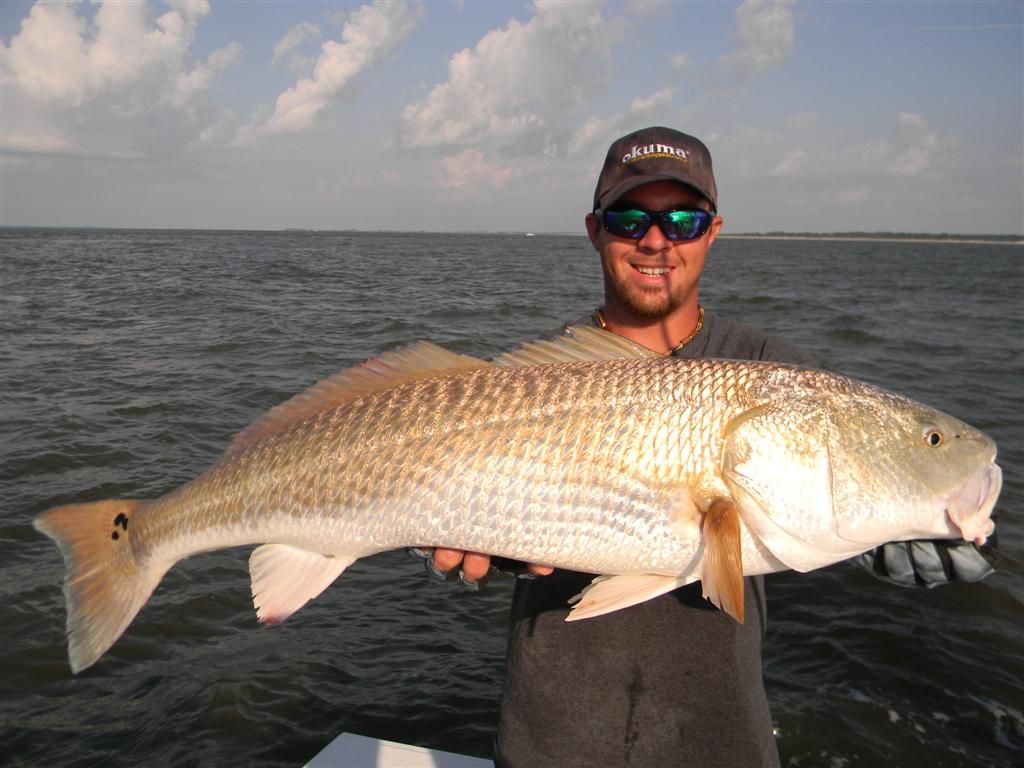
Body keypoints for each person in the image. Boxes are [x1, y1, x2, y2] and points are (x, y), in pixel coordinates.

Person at [420, 126, 997, 767]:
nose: (656, 240)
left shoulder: (775, 373)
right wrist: (483, 553)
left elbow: (822, 501)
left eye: (683, 220)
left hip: (719, 738)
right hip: (552, 738)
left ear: (713, 230)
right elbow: (455, 511)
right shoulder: (531, 383)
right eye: (630, 216)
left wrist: (909, 528)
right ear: (594, 229)